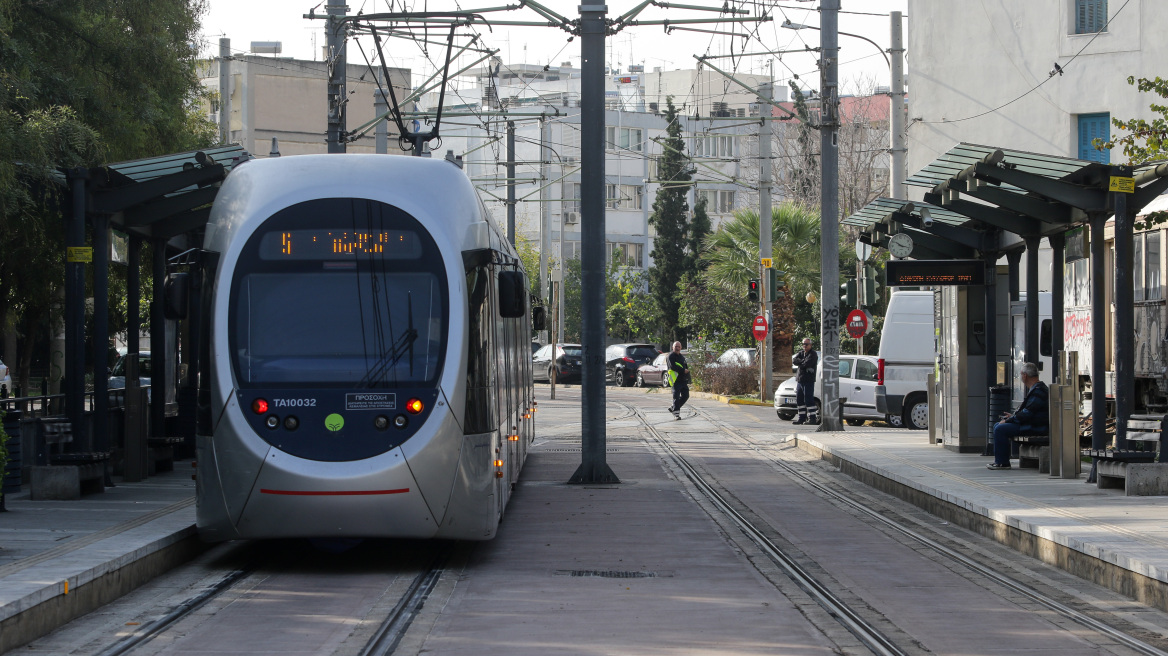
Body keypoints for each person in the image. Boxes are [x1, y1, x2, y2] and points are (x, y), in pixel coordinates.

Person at [987, 362, 1049, 470]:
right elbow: (1028, 411)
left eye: (1021, 374)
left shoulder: (1039, 391)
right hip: (1032, 423)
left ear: (1025, 375)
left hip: (1035, 427)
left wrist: (1009, 420)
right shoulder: (1037, 389)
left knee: (1000, 428)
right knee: (998, 425)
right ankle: (1001, 460)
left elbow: (1028, 413)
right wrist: (1012, 417)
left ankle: (1002, 462)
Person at [792, 338, 819, 425]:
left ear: (810, 345)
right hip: (800, 380)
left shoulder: (813, 354)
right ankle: (801, 418)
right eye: (803, 344)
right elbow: (794, 360)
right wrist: (802, 362)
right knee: (799, 399)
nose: (804, 346)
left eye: (806, 344)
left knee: (808, 399)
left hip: (808, 380)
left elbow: (806, 364)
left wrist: (801, 363)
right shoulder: (801, 353)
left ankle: (812, 418)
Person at [666, 341, 689, 419]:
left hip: (682, 379)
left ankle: (673, 407)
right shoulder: (670, 356)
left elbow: (685, 367)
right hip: (675, 379)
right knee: (676, 396)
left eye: (679, 347)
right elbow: (673, 366)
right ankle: (676, 414)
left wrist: (688, 376)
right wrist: (683, 370)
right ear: (673, 347)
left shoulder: (681, 357)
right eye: (676, 346)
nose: (677, 348)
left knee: (686, 395)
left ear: (681, 348)